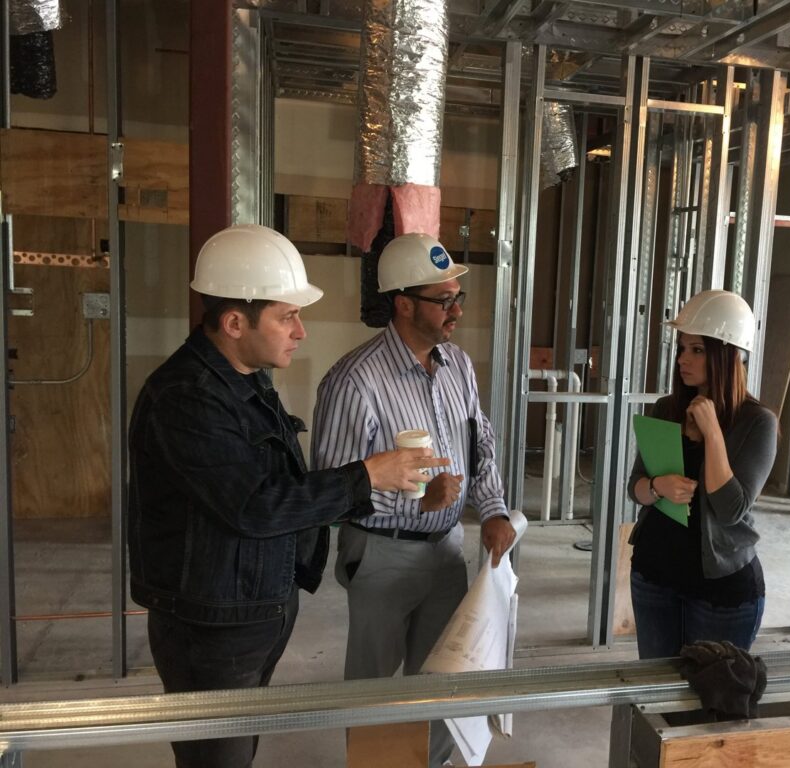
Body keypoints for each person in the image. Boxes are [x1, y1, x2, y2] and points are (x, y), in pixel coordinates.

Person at [128, 224, 447, 768]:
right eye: (286, 315)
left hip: (252, 605)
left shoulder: (245, 378)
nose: (301, 330)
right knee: (217, 757)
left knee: (239, 748)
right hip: (213, 624)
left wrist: (376, 481)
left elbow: (286, 489)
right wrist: (366, 476)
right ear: (234, 322)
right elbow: (255, 505)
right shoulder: (188, 399)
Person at [311, 232, 516, 768]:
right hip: (382, 556)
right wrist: (416, 506)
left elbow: (481, 445)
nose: (456, 311)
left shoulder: (458, 367)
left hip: (446, 551)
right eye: (443, 300)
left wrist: (492, 508)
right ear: (403, 304)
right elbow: (331, 492)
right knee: (373, 693)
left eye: (457, 298)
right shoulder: (356, 382)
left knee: (445, 685)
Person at [627, 289, 777, 657]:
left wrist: (712, 432)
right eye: (682, 348)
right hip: (654, 576)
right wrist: (658, 487)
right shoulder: (666, 409)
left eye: (697, 349)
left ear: (727, 354)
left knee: (712, 696)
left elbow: (730, 509)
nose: (683, 359)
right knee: (656, 696)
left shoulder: (758, 423)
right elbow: (636, 489)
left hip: (721, 592)